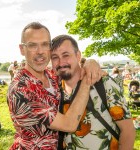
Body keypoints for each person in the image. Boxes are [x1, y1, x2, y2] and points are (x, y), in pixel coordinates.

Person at [7, 22, 103, 150]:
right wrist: (87, 81)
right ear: (22, 49)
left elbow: (72, 69)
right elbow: (69, 124)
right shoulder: (20, 90)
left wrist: (90, 62)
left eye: (45, 44)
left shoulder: (51, 75)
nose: (40, 52)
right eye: (32, 45)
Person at [51, 34, 136, 150]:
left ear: (78, 55)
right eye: (55, 57)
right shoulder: (53, 91)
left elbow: (128, 131)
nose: (61, 62)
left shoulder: (103, 84)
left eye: (66, 55)